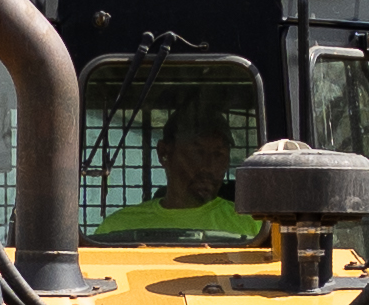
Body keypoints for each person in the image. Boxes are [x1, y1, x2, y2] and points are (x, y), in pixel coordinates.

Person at [96, 93, 257, 243]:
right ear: (164, 152)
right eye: (197, 152)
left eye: (219, 154)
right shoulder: (115, 229)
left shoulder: (255, 228)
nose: (208, 166)